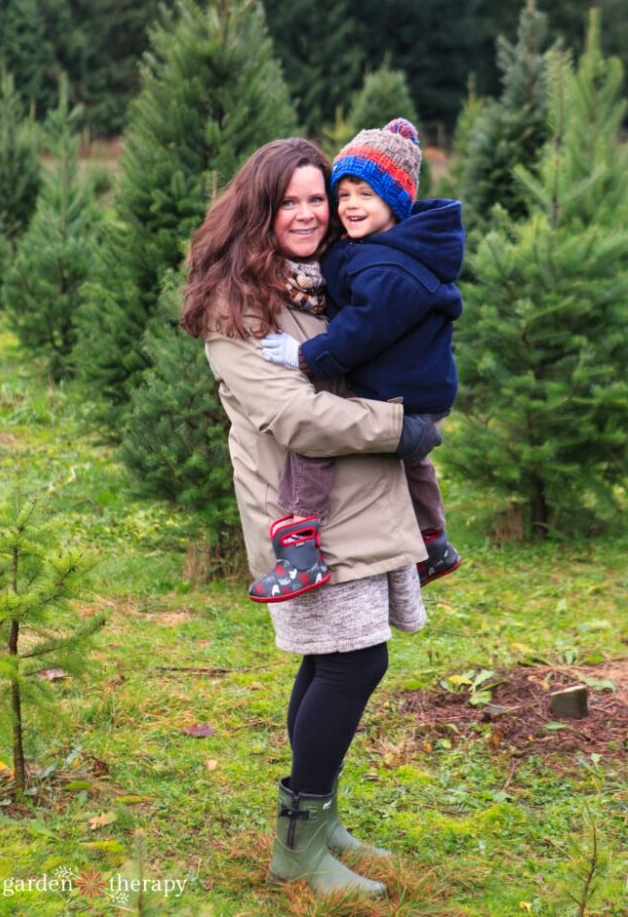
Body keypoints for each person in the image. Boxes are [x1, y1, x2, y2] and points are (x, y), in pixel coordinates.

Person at [181, 137, 440, 898]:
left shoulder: (328, 281)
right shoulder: (235, 305)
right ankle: (295, 844)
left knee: (338, 659)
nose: (304, 213)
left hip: (362, 502)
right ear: (258, 210)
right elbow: (294, 417)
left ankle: (315, 817)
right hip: (308, 523)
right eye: (286, 201)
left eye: (314, 199)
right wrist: (399, 426)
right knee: (353, 662)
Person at [254, 118, 464, 604]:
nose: (350, 206)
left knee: (316, 440)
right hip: (417, 387)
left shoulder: (389, 266)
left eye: (365, 195)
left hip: (398, 388)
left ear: (395, 202)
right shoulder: (382, 248)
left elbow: (363, 329)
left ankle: (300, 553)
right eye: (343, 194)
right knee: (414, 462)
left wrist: (305, 356)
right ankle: (433, 541)